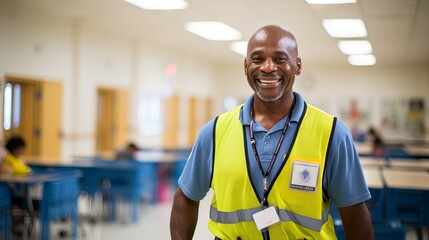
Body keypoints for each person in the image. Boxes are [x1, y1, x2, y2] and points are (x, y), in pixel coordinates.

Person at [170, 25, 374, 239]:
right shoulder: (214, 132)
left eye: (279, 59)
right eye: (257, 59)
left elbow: (354, 216)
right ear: (246, 65)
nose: (267, 67)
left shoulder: (332, 134)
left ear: (297, 65)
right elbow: (185, 198)